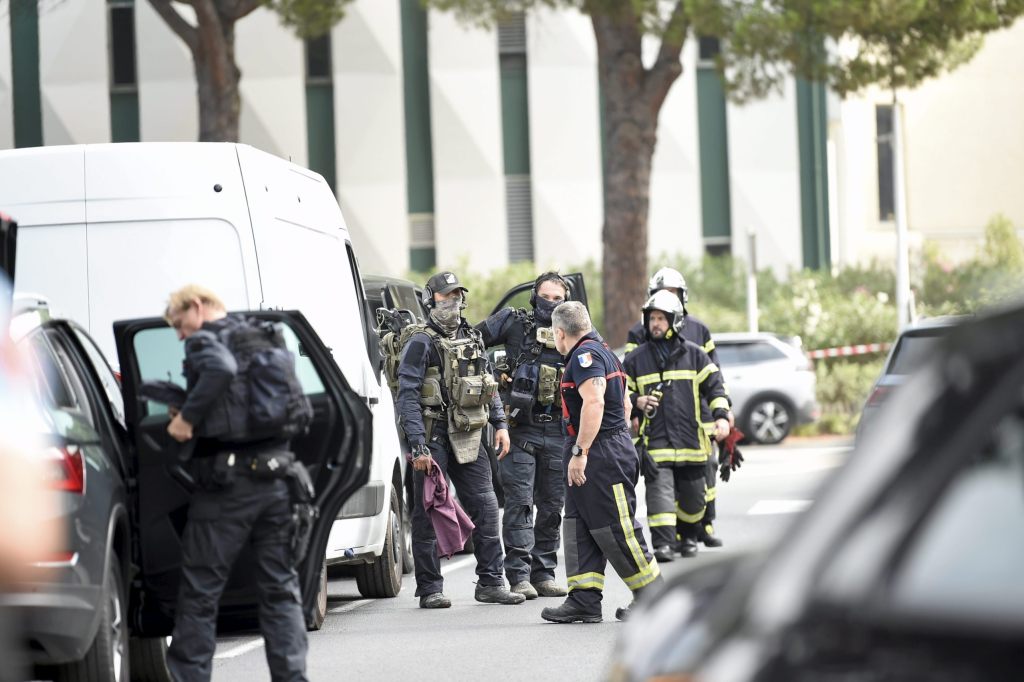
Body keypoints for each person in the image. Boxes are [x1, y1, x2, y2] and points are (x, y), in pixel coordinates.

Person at [163, 285, 309, 682]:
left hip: (228, 488)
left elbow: (221, 370)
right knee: (280, 591)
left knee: (200, 593)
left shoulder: (206, 342)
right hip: (278, 483)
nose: (180, 335)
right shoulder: (260, 336)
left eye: (179, 324)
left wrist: (187, 418)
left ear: (196, 307)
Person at [397, 271, 525, 608]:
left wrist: (499, 424)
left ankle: (491, 583)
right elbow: (407, 396)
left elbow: (488, 383)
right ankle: (430, 589)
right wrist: (417, 445)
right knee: (426, 513)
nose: (452, 303)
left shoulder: (473, 337)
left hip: (469, 433)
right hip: (433, 436)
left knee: (486, 506)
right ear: (431, 301)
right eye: (444, 297)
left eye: (456, 296)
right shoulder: (420, 342)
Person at [540, 301, 661, 624]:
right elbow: (623, 404)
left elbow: (594, 402)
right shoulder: (605, 351)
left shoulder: (584, 357)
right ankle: (584, 599)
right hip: (604, 446)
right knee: (579, 525)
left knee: (616, 529)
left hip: (599, 454)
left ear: (560, 333)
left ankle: (655, 599)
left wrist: (582, 452)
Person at [477, 272, 571, 600]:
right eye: (545, 297)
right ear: (534, 297)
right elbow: (473, 345)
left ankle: (543, 573)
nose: (550, 304)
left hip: (558, 431)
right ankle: (518, 575)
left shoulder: (574, 331)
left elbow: (597, 365)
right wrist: (491, 383)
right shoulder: (513, 322)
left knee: (551, 505)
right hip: (519, 429)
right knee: (518, 503)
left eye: (557, 299)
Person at [624, 267, 731, 548]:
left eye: (663, 316)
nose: (656, 322)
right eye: (653, 317)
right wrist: (636, 404)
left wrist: (722, 415)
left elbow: (715, 381)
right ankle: (664, 542)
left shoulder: (696, 343)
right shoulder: (637, 348)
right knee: (660, 492)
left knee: (698, 490)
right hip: (656, 434)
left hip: (694, 430)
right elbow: (624, 386)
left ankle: (693, 531)